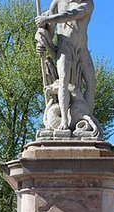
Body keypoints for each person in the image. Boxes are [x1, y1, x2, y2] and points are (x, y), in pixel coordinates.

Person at [35, 0, 96, 131]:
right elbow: (50, 30)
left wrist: (47, 18)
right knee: (63, 81)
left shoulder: (88, 3)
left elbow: (72, 14)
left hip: (82, 50)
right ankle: (64, 121)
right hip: (65, 48)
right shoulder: (57, 3)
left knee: (91, 83)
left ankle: (85, 118)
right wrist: (42, 41)